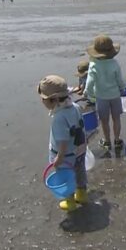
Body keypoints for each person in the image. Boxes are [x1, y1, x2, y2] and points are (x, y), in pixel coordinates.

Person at [38, 75, 88, 212]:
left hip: (65, 156)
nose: (42, 102)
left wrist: (59, 158)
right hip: (79, 149)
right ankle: (82, 194)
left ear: (53, 100)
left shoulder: (58, 118)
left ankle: (70, 201)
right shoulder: (76, 107)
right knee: (80, 172)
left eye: (43, 99)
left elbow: (63, 140)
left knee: (66, 176)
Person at [83, 34, 125, 151]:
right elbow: (120, 80)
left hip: (101, 97)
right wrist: (123, 88)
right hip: (115, 95)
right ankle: (117, 140)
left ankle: (107, 141)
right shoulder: (114, 63)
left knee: (104, 121)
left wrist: (88, 93)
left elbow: (90, 82)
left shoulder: (93, 65)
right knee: (116, 118)